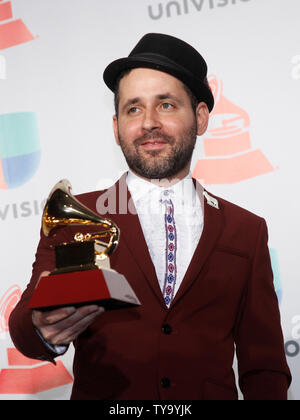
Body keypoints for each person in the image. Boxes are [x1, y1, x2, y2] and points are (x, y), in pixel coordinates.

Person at [9, 33, 291, 400]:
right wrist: (42, 327)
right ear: (116, 127)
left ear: (201, 117)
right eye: (133, 108)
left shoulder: (246, 230)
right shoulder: (76, 216)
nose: (149, 123)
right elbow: (24, 328)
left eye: (167, 105)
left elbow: (264, 366)